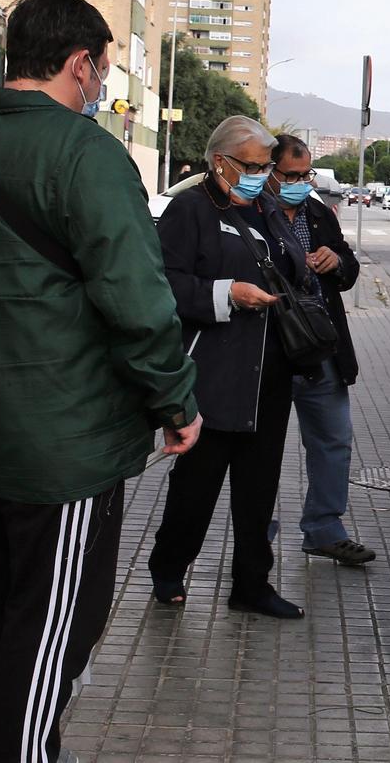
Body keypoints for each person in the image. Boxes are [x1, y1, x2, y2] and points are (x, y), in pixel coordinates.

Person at [0, 0, 200, 763]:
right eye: (100, 68)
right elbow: (137, 299)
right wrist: (174, 398)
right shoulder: (87, 154)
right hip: (63, 448)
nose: (100, 83)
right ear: (79, 63)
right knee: (51, 627)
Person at [146, 116, 308, 619]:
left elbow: (293, 270)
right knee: (197, 484)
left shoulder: (268, 210)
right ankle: (169, 569)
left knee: (259, 489)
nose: (265, 175)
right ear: (221, 163)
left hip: (270, 372)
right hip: (213, 372)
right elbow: (163, 285)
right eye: (255, 166)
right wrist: (227, 294)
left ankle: (252, 583)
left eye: (268, 167)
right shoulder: (190, 209)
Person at [267, 133, 376, 567]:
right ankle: (258, 532)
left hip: (320, 350)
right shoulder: (253, 212)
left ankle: (324, 529)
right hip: (270, 351)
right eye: (289, 175)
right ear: (268, 171)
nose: (298, 182)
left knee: (334, 441)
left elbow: (349, 268)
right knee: (263, 448)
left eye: (304, 174)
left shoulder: (317, 212)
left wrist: (336, 261)